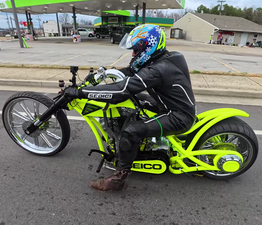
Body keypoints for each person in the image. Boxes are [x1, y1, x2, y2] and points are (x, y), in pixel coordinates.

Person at [63, 24, 196, 191]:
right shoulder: (164, 58)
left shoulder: (157, 69)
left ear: (150, 46)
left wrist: (81, 92)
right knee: (132, 102)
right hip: (168, 105)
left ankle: (119, 178)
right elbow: (130, 72)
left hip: (177, 115)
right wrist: (105, 74)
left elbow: (122, 90)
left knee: (132, 130)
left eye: (136, 49)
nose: (133, 53)